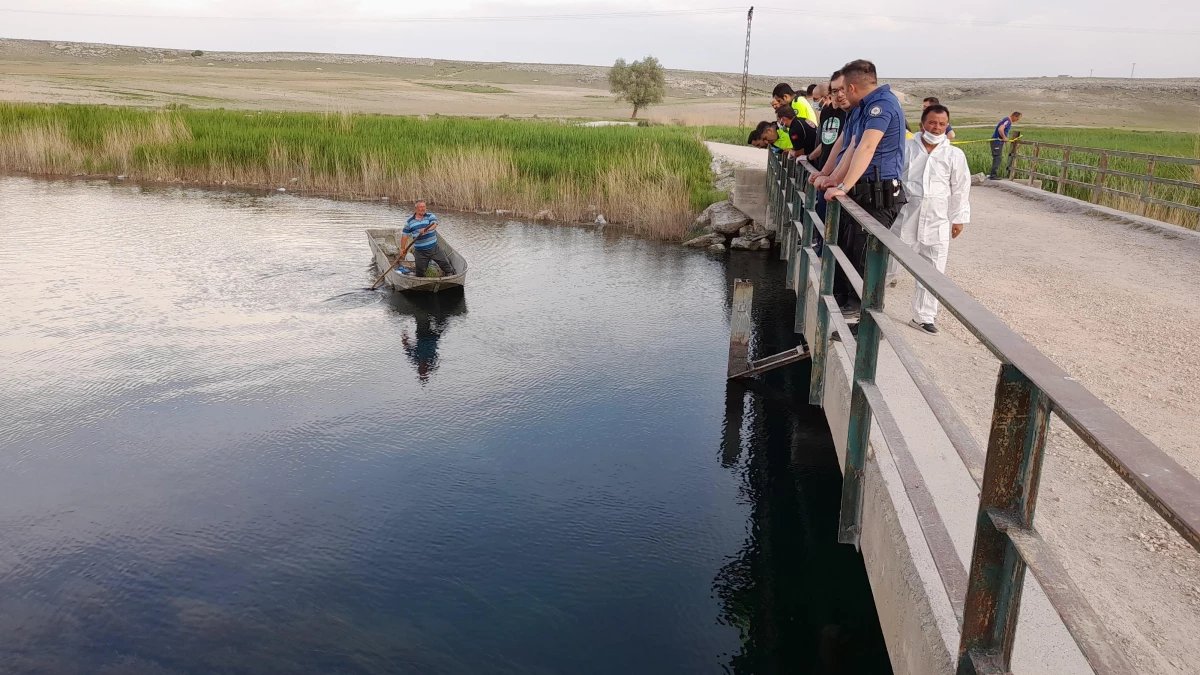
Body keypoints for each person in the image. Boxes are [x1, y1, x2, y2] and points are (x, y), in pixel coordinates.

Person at [815, 59, 908, 318]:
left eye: (843, 88)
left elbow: (867, 147)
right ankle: (849, 306)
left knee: (866, 257)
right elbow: (852, 147)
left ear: (853, 87)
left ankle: (867, 323)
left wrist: (843, 185)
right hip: (864, 192)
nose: (840, 94)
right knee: (850, 249)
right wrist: (833, 178)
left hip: (879, 194)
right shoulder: (864, 108)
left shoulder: (881, 106)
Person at [892, 104, 970, 334]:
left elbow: (961, 188)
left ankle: (923, 316)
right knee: (889, 265)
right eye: (932, 123)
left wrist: (958, 218)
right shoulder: (906, 148)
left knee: (933, 270)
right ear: (922, 124)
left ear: (947, 126)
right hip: (905, 217)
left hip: (937, 220)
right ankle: (868, 305)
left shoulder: (954, 154)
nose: (936, 128)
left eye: (942, 124)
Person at [402, 200, 456, 277]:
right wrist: (402, 248)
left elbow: (434, 224)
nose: (423, 209)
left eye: (424, 207)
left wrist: (427, 229)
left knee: (445, 263)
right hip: (420, 251)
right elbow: (405, 235)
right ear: (416, 208)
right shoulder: (409, 222)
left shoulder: (430, 216)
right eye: (420, 207)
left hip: (434, 248)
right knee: (420, 273)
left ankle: (450, 274)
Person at [809, 73, 848, 172]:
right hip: (823, 166)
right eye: (834, 91)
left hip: (838, 170)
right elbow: (825, 143)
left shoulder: (848, 113)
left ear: (826, 97)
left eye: (815, 99)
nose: (838, 95)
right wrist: (809, 158)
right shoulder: (825, 113)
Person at [988, 111, 1022, 179]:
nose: (1016, 120)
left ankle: (993, 174)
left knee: (997, 158)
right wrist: (1004, 137)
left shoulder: (1006, 119)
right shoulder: (1007, 121)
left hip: (998, 142)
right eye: (1017, 119)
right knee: (997, 158)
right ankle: (993, 175)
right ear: (1014, 116)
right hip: (997, 142)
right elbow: (1000, 129)